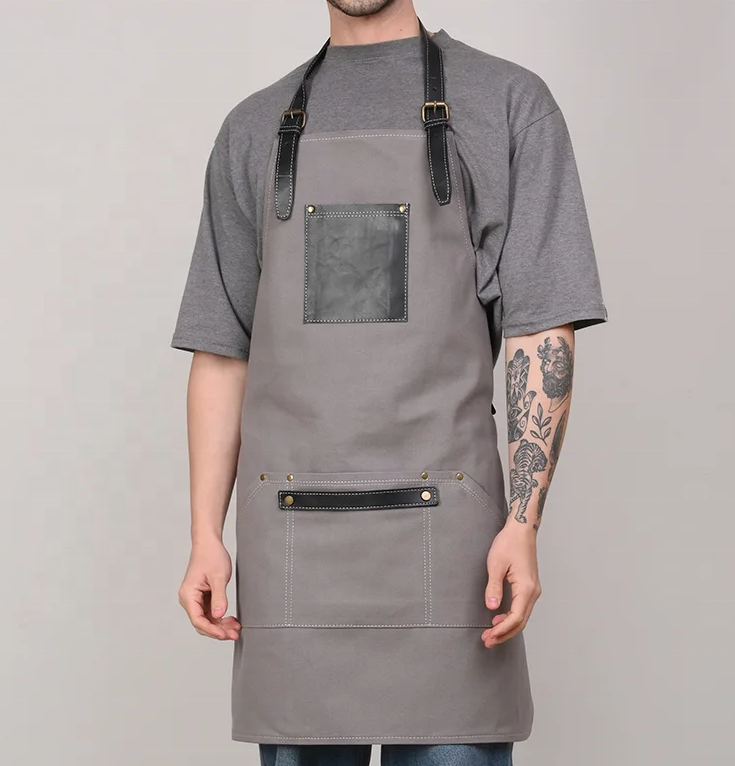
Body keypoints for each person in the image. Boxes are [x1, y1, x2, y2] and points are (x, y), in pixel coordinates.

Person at [171, 1, 607, 764]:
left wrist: (524, 522)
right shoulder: (252, 127)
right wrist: (205, 533)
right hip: (293, 552)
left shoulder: (509, 104)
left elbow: (540, 330)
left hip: (452, 555)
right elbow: (222, 350)